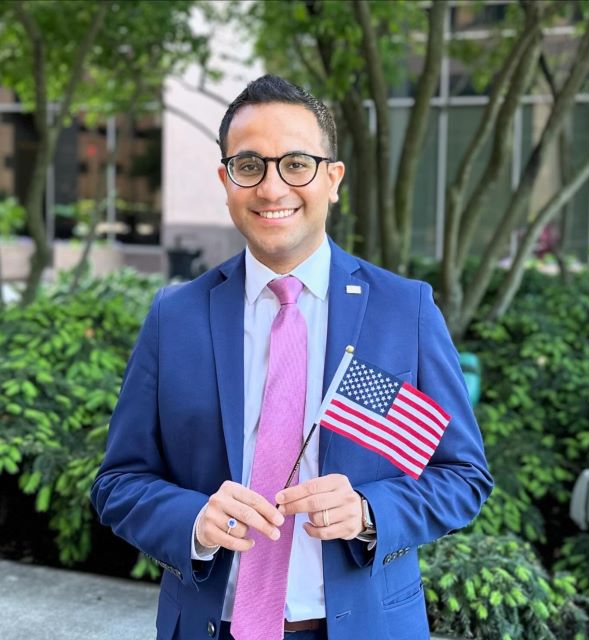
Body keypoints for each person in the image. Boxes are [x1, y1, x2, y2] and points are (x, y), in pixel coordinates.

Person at [91, 74, 493, 640]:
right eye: (249, 165)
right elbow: (119, 482)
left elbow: (464, 476)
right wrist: (194, 522)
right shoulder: (174, 316)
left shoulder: (405, 309)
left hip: (365, 626)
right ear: (226, 181)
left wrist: (370, 511)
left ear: (332, 179)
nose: (272, 188)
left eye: (296, 163)